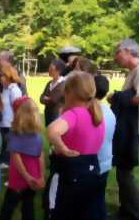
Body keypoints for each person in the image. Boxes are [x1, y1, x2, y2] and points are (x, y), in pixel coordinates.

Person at [46, 72, 105, 220]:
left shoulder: (74, 114)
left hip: (70, 174)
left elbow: (52, 130)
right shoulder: (97, 115)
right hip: (92, 173)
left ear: (69, 93)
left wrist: (63, 149)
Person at [109, 39, 139, 220]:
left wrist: (116, 97)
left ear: (128, 51)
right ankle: (126, 210)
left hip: (134, 129)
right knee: (122, 172)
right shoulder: (134, 71)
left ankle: (131, 213)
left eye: (117, 52)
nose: (115, 57)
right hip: (128, 128)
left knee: (125, 173)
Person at [0, 98, 45, 220]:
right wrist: (41, 176)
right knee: (28, 205)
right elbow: (40, 156)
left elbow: (16, 159)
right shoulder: (38, 136)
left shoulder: (14, 135)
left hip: (19, 179)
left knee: (8, 207)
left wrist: (27, 177)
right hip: (34, 177)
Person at [93, 75, 116, 220]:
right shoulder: (110, 112)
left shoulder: (91, 113)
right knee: (98, 200)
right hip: (105, 162)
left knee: (88, 201)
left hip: (93, 164)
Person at [0, 64, 22, 167]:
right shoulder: (5, 89)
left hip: (10, 123)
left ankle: (8, 163)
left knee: (9, 144)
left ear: (8, 76)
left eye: (2, 76)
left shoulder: (14, 90)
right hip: (4, 122)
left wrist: (15, 124)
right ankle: (5, 161)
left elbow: (17, 109)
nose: (0, 79)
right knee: (5, 143)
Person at [40, 59, 66, 127]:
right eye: (49, 67)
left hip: (57, 114)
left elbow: (54, 100)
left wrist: (45, 98)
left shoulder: (63, 84)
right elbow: (41, 98)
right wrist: (46, 98)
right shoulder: (49, 83)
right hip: (48, 113)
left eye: (51, 68)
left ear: (58, 71)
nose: (49, 70)